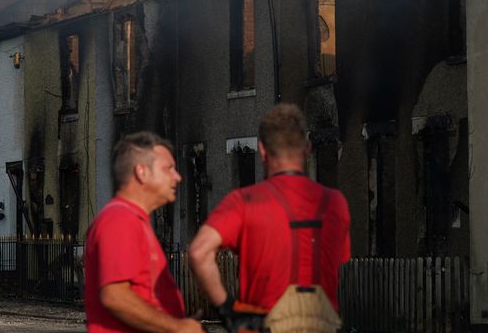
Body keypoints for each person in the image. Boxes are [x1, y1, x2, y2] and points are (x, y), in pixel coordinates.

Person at [189, 104, 351, 333]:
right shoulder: (335, 204)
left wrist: (228, 310)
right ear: (307, 149)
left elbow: (199, 252)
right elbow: (339, 262)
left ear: (262, 151)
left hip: (262, 324)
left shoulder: (244, 201)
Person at [84, 131, 204, 333]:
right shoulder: (120, 219)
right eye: (168, 168)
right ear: (142, 172)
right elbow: (115, 296)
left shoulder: (133, 220)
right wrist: (178, 327)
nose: (177, 176)